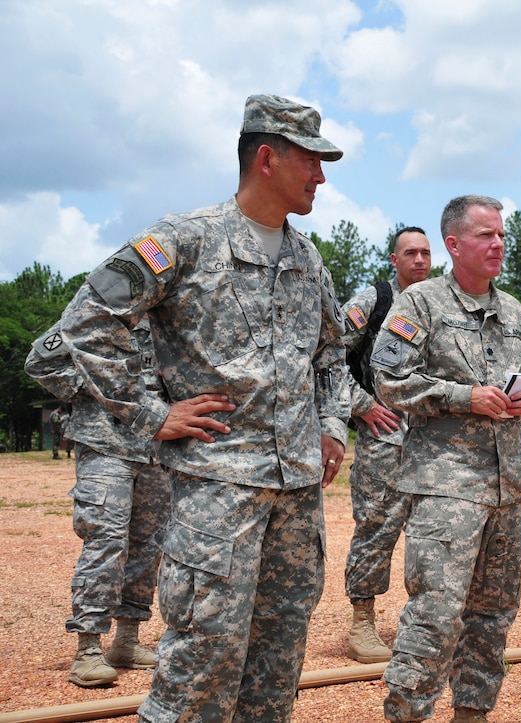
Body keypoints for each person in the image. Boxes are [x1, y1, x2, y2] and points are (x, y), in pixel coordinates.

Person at [59, 94, 350, 721]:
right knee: (199, 669)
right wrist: (147, 415)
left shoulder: (307, 258)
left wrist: (330, 425)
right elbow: (85, 324)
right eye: (313, 161)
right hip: (217, 493)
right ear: (267, 158)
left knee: (276, 671)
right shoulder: (182, 240)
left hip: (296, 499)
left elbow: (331, 355)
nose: (322, 177)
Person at [372, 195, 521, 723]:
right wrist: (462, 396)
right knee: (435, 615)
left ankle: (473, 712)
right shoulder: (420, 304)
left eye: (501, 236)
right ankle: (406, 715)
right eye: (484, 235)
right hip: (446, 488)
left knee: (493, 616)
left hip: (507, 487)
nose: (497, 244)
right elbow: (389, 379)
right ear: (454, 244)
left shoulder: (513, 311)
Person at [25, 317, 171, 688]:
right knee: (106, 541)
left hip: (155, 449)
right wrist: (94, 390)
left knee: (148, 547)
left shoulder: (172, 317)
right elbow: (41, 360)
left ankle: (126, 640)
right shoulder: (94, 317)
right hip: (105, 447)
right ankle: (88, 649)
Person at [341, 226, 432, 664]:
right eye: (410, 253)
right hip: (385, 437)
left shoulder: (441, 304)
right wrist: (361, 405)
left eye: (426, 253)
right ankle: (362, 622)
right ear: (394, 260)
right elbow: (326, 355)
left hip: (434, 441)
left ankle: (424, 623)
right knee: (377, 528)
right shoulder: (373, 301)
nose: (419, 260)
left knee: (435, 533)